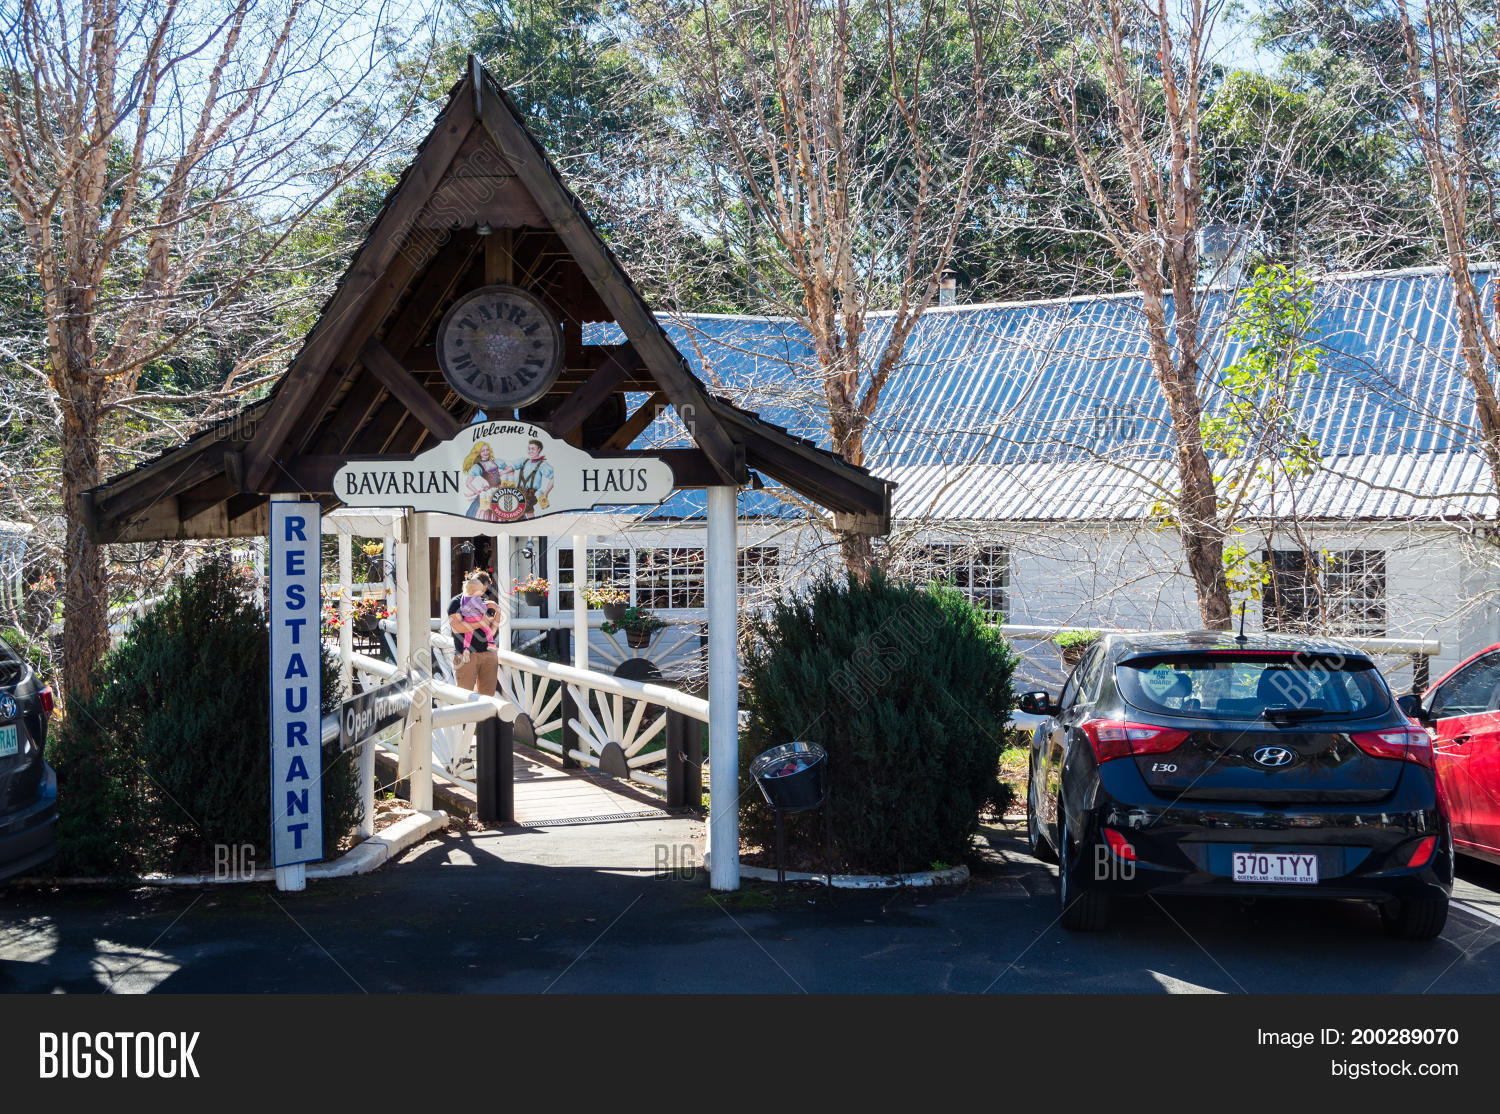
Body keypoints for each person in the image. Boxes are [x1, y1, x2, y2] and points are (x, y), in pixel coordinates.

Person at [448, 576, 498, 696]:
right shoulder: (456, 602)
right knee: (464, 698)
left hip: (488, 654)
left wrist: (498, 611)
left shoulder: (483, 602)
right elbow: (457, 628)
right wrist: (481, 623)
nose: (483, 592)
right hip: (466, 657)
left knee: (488, 698)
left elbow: (491, 631)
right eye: (482, 588)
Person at [454, 576, 489, 664]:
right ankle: (491, 643)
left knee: (467, 637)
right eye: (481, 590)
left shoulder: (463, 598)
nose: (482, 592)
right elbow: (483, 609)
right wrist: (486, 607)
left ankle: (466, 649)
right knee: (487, 630)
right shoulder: (476, 599)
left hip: (467, 618)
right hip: (476, 618)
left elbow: (462, 609)